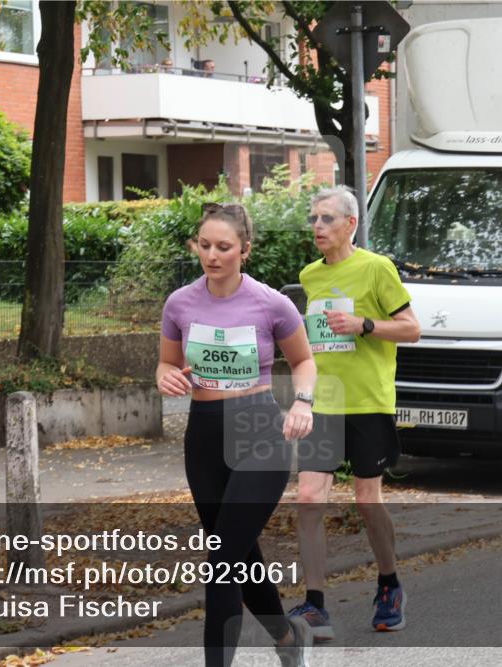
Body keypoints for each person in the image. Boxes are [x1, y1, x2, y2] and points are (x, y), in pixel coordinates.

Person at [157, 202, 317, 667]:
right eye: (204, 245)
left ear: (244, 250)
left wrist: (303, 403)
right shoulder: (180, 303)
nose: (212, 255)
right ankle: (287, 637)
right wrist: (165, 377)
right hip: (204, 437)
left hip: (259, 434)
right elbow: (166, 363)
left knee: (222, 562)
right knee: (238, 556)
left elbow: (304, 361)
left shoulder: (271, 303)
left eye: (223, 247)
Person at [288, 186, 421, 640]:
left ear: (351, 224)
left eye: (326, 219)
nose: (317, 227)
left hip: (367, 401)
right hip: (324, 401)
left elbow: (411, 329)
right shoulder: (310, 276)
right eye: (313, 219)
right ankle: (316, 605)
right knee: (309, 498)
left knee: (367, 500)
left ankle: (389, 584)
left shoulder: (377, 268)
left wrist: (364, 325)